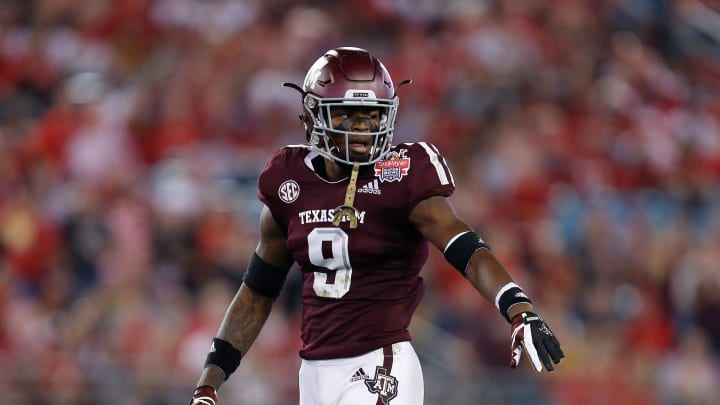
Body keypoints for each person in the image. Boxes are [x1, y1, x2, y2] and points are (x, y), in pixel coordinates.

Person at [189, 46, 564, 405]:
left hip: (379, 363)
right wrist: (209, 382)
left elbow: (463, 245)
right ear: (312, 115)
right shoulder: (287, 181)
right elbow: (257, 291)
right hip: (314, 371)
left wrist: (518, 307)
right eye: (347, 114)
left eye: (372, 115)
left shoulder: (401, 173)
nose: (363, 127)